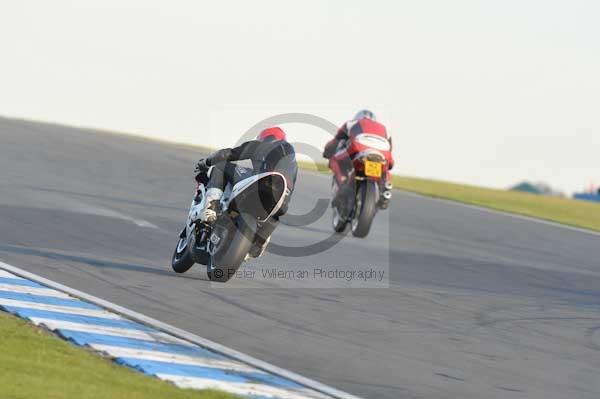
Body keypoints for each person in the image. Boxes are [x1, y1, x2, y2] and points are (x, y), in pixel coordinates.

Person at [194, 127, 297, 258]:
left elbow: (227, 154)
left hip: (262, 183)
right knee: (274, 216)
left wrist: (206, 161)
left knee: (220, 166)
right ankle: (261, 241)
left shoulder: (260, 145)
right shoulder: (293, 159)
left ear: (264, 137)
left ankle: (211, 207)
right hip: (282, 199)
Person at [323, 110, 394, 205]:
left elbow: (335, 142)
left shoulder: (351, 123)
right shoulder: (385, 129)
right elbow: (390, 152)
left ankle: (342, 183)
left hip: (359, 147)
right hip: (382, 152)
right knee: (386, 168)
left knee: (334, 160)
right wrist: (390, 163)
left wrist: (327, 152)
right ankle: (385, 187)